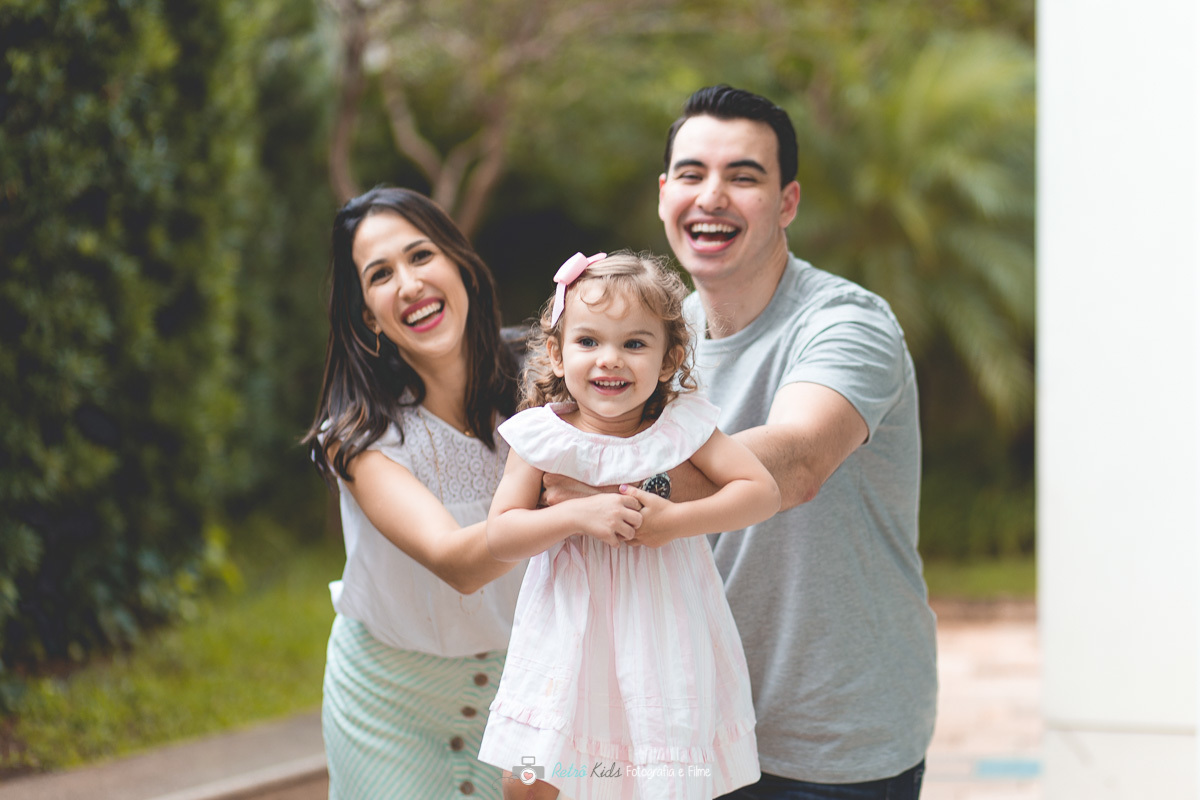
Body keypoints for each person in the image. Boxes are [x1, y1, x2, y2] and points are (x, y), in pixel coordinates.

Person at [649, 85, 938, 798]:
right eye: (692, 174)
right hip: (698, 730)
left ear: (786, 203)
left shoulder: (847, 323)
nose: (711, 196)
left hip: (834, 742)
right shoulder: (656, 342)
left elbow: (799, 459)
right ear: (664, 194)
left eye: (743, 177)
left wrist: (619, 490)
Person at [476, 251, 781, 800]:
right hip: (567, 636)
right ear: (557, 352)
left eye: (634, 344)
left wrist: (676, 521)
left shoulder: (683, 428)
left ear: (669, 359)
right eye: (588, 342)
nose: (609, 360)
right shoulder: (543, 438)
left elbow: (761, 492)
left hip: (662, 632)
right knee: (528, 779)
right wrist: (574, 514)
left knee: (648, 772)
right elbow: (500, 534)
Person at [303, 186, 528, 799]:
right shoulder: (357, 438)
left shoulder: (547, 382)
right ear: (369, 316)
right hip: (389, 703)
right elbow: (459, 562)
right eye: (380, 274)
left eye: (421, 256)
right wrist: (578, 513)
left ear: (460, 267)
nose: (408, 283)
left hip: (525, 694)